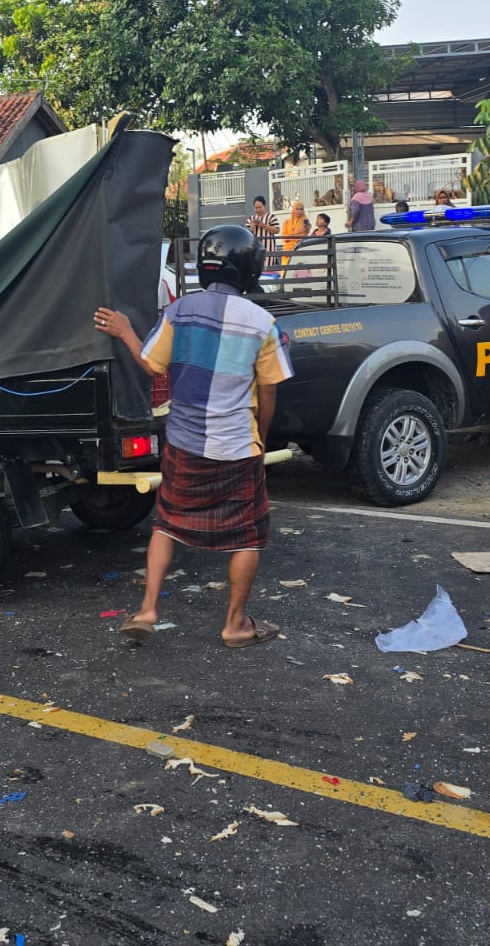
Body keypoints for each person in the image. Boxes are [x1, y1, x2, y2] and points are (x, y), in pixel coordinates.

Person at [93, 225, 293, 649]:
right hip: (236, 447)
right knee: (249, 534)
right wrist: (260, 438)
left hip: (183, 444)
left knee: (166, 524)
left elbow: (152, 366)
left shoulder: (179, 311)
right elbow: (269, 390)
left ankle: (147, 610)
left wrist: (126, 330)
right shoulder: (263, 324)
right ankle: (235, 625)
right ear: (250, 271)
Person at [279, 201, 310, 266]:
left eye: (301, 209)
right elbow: (284, 237)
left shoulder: (306, 222)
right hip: (287, 251)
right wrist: (296, 233)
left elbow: (303, 236)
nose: (299, 211)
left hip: (299, 248)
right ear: (293, 210)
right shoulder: (286, 222)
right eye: (297, 209)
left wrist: (291, 237)